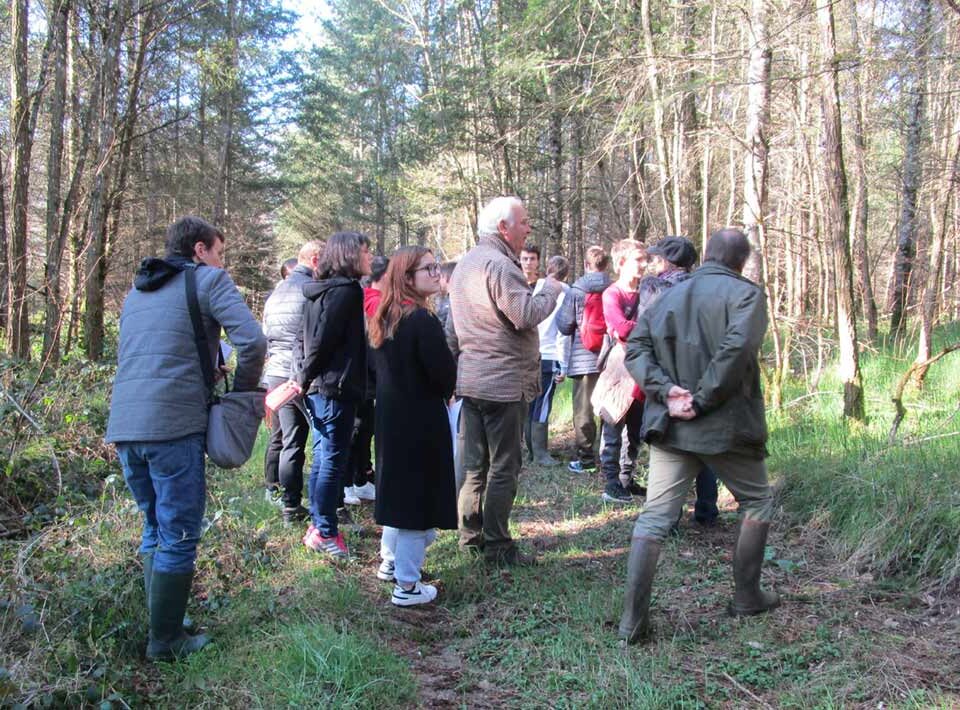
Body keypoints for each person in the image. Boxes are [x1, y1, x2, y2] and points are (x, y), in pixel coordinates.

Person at [105, 216, 266, 661]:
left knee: (155, 526)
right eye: (217, 251)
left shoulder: (136, 291)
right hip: (173, 424)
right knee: (177, 531)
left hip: (124, 424)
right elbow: (252, 342)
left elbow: (151, 353)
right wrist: (241, 392)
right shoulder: (209, 281)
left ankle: (166, 622)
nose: (220, 261)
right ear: (199, 250)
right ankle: (166, 641)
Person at [618, 228, 779, 645]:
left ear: (706, 255)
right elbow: (736, 352)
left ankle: (632, 622)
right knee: (758, 501)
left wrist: (666, 393)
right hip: (725, 428)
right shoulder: (748, 296)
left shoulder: (667, 292)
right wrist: (697, 399)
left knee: (654, 517)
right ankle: (746, 596)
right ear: (741, 261)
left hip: (673, 425)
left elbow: (635, 349)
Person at [446, 196, 562, 565]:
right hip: (503, 385)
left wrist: (452, 375)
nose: (528, 228)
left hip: (471, 383)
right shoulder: (499, 265)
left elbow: (452, 330)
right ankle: (498, 547)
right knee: (504, 467)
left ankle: (469, 538)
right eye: (524, 222)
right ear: (503, 228)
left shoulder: (465, 264)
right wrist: (550, 291)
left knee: (473, 468)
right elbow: (525, 314)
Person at [368, 246, 457, 606]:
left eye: (436, 267)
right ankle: (407, 585)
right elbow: (443, 374)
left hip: (392, 415)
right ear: (407, 278)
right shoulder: (421, 319)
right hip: (418, 417)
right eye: (428, 268)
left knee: (400, 491)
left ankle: (390, 564)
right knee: (416, 502)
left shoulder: (387, 315)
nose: (436, 274)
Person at [290, 231, 372, 559]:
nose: (370, 257)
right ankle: (325, 531)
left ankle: (317, 526)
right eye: (365, 252)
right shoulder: (348, 292)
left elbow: (301, 339)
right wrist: (303, 377)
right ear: (349, 256)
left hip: (319, 387)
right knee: (331, 460)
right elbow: (322, 340)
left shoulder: (315, 290)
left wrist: (302, 377)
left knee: (324, 456)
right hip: (334, 388)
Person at [642, 236, 719, 527]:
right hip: (703, 373)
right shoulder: (709, 289)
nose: (652, 263)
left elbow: (645, 330)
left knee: (667, 442)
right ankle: (707, 511)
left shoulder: (654, 288)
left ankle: (666, 517)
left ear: (667, 261)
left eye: (656, 258)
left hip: (667, 374)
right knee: (703, 440)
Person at [261, 240, 323, 525]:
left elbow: (265, 335)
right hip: (300, 375)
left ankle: (290, 506)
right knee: (325, 441)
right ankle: (329, 509)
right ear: (315, 259)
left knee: (290, 441)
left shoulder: (276, 292)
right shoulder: (309, 290)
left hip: (276, 372)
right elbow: (313, 336)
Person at [598, 239, 648, 504]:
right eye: (637, 259)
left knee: (635, 427)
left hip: (641, 368)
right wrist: (647, 328)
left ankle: (627, 478)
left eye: (644, 259)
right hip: (618, 367)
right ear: (621, 263)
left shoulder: (646, 293)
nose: (643, 265)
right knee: (613, 423)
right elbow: (621, 327)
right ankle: (611, 481)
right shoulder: (612, 294)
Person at [556, 245, 611, 473]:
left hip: (583, 358)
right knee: (610, 408)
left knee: (584, 411)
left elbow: (564, 325)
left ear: (587, 265)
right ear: (606, 265)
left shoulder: (576, 291)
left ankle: (586, 460)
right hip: (611, 357)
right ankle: (610, 458)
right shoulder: (614, 288)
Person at [343, 255, 390, 506]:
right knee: (355, 429)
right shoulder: (366, 300)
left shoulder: (383, 301)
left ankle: (361, 479)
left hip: (375, 377)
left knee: (366, 431)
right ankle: (347, 482)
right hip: (362, 375)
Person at [526, 255, 572, 466]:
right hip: (550, 354)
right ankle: (540, 453)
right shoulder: (565, 292)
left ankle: (529, 449)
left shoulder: (534, 288)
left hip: (531, 354)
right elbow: (563, 331)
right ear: (565, 274)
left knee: (530, 401)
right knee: (542, 404)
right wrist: (564, 364)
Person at [435, 260, 457, 328]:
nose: (437, 280)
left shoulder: (453, 301)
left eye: (440, 277)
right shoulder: (448, 298)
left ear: (446, 278)